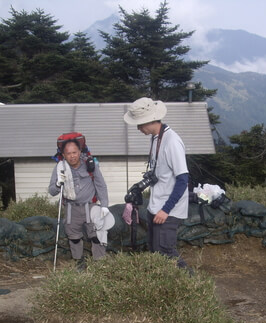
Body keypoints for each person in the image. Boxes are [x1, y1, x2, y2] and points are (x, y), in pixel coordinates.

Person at [123, 97, 190, 270]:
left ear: (148, 120)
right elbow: (157, 173)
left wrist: (166, 210)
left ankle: (191, 284)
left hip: (168, 209)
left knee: (166, 252)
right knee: (155, 251)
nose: (138, 129)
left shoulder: (172, 141)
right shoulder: (155, 138)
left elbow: (183, 180)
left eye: (139, 124)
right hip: (156, 205)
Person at [48, 138, 111, 269]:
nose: (72, 156)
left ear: (80, 151)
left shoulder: (90, 165)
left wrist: (104, 205)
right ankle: (79, 262)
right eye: (68, 153)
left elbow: (101, 185)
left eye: (74, 152)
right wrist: (58, 183)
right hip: (72, 208)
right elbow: (52, 191)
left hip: (91, 206)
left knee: (97, 235)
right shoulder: (60, 167)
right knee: (74, 237)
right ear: (63, 154)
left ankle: (100, 264)